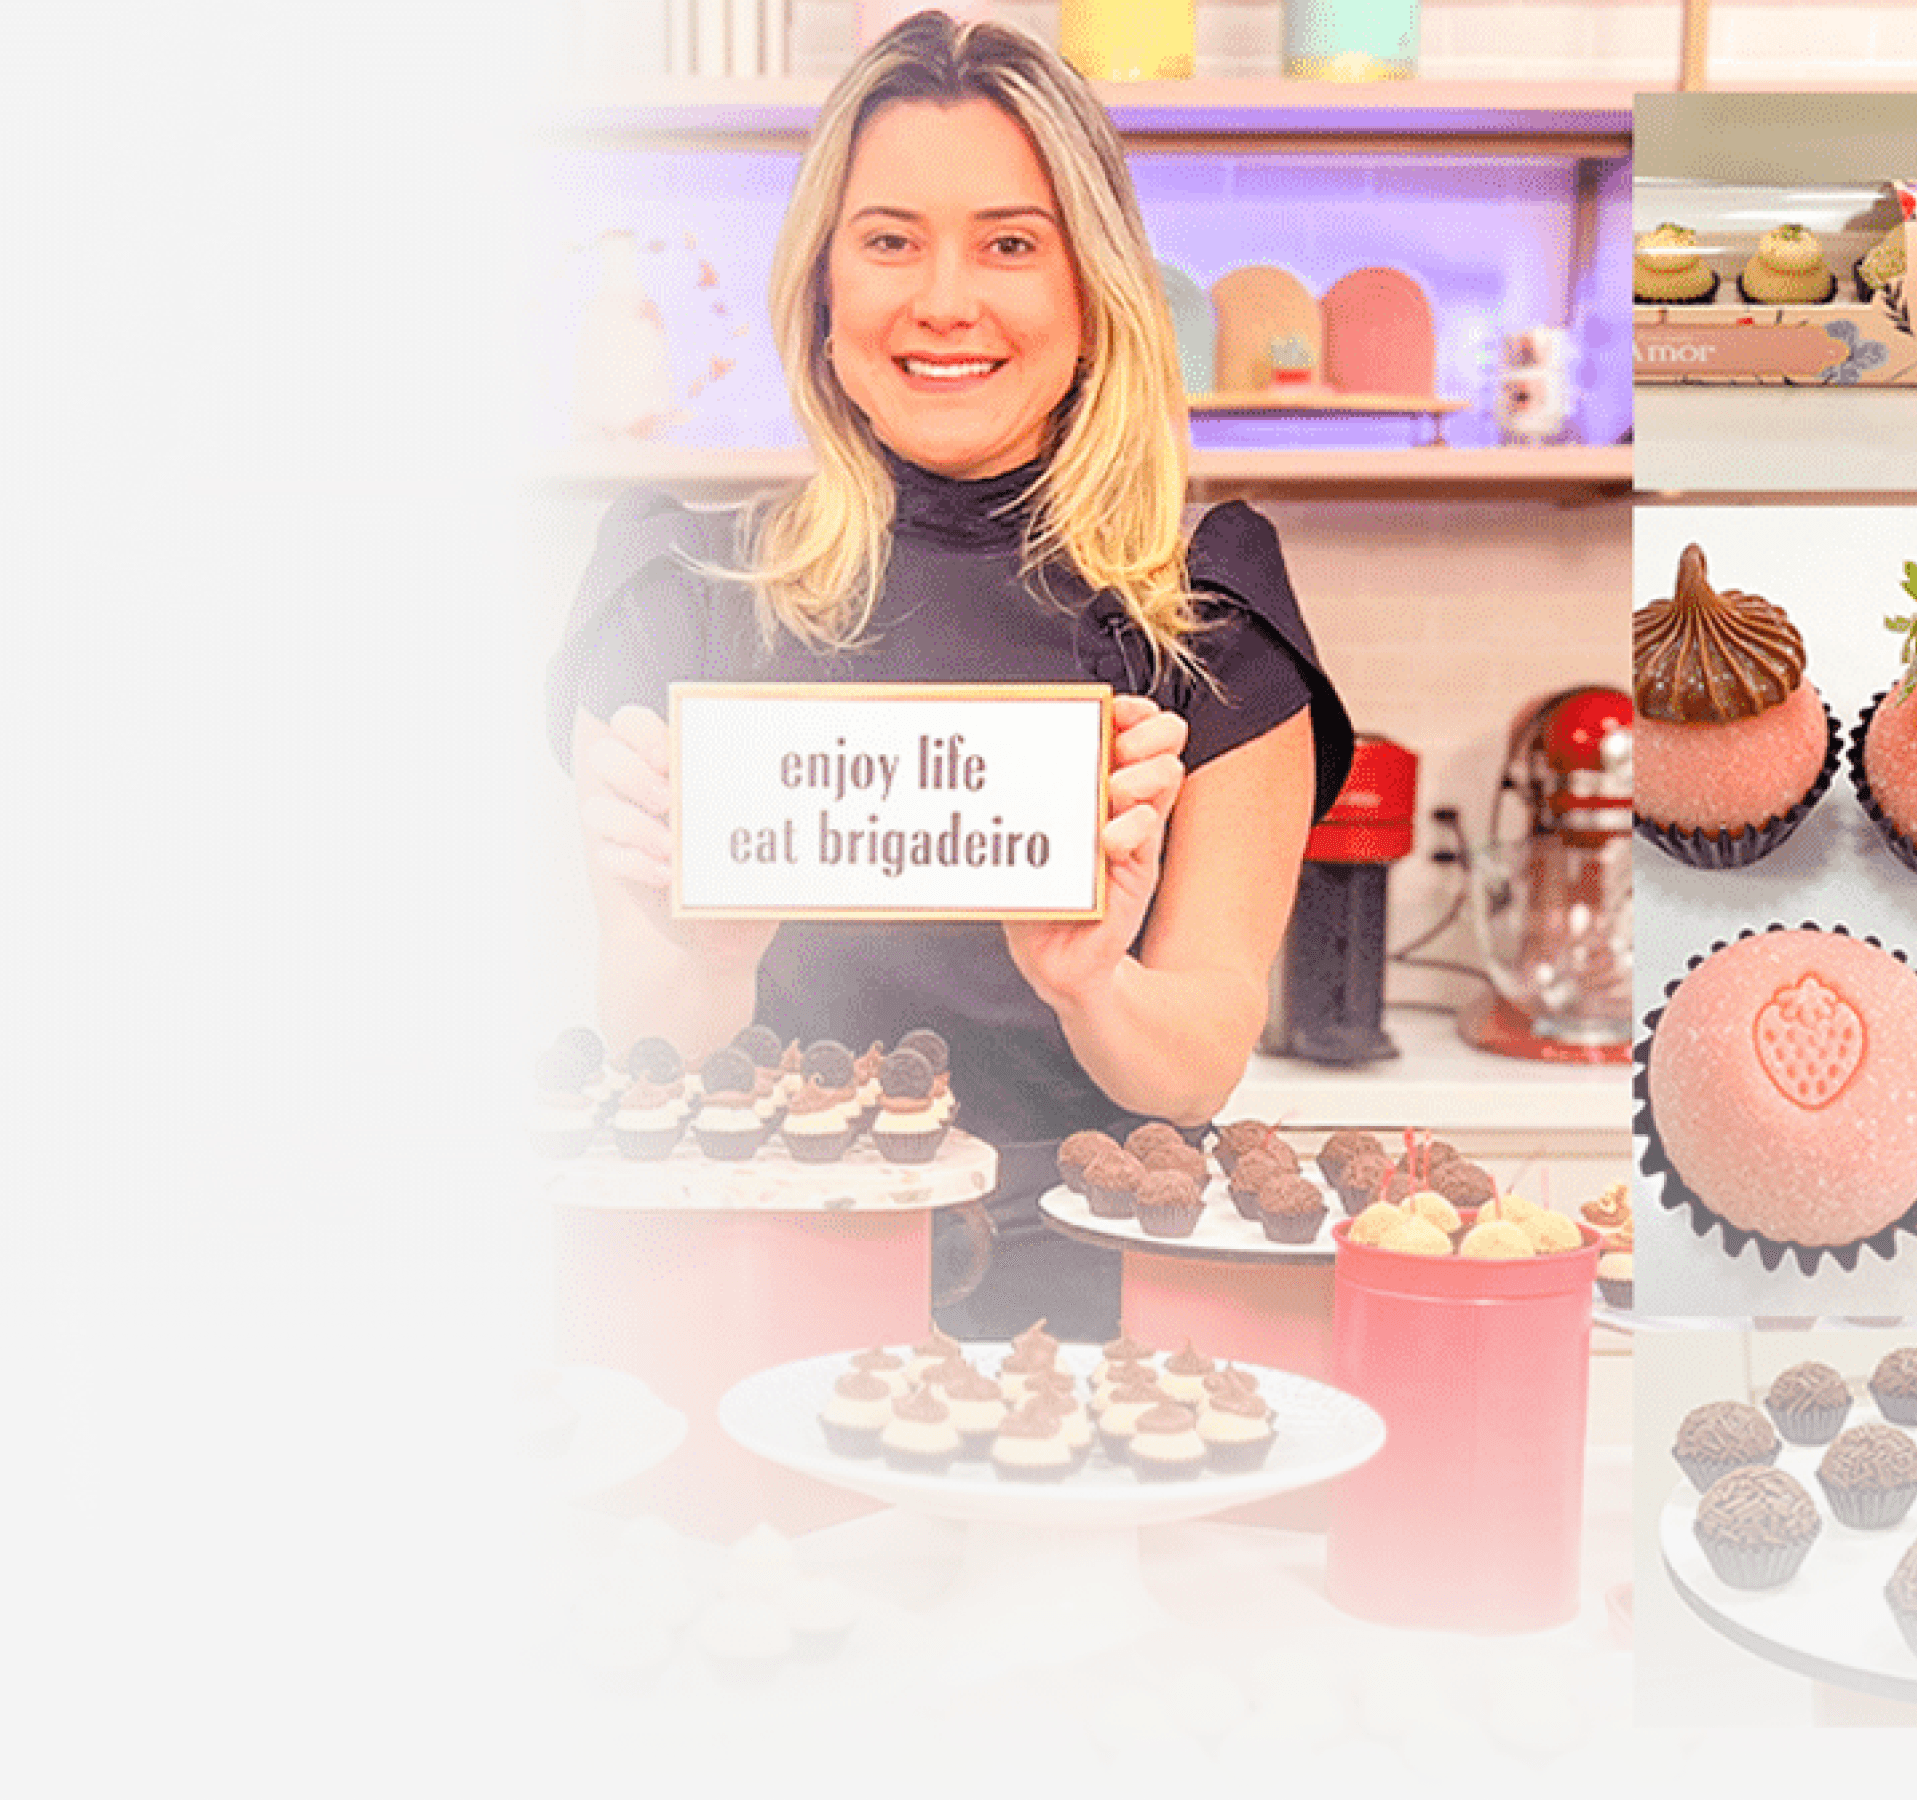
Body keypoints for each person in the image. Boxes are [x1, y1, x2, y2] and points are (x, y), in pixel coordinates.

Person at [548, 11, 1354, 1339]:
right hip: (764, 1291)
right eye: (888, 240)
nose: (942, 300)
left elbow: (1197, 1069)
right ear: (823, 287)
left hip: (1093, 1327)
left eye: (1010, 244)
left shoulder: (1209, 611)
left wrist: (1095, 981)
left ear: (1091, 292)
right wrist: (707, 962)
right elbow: (648, 1041)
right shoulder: (674, 595)